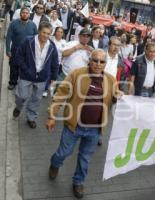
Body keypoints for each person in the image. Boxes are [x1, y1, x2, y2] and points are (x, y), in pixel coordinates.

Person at [47, 49, 122, 199]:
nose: (98, 64)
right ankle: (55, 164)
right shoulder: (77, 74)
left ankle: (78, 182)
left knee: (85, 158)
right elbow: (61, 94)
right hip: (74, 126)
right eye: (95, 60)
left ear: (106, 64)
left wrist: (118, 97)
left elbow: (114, 98)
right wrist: (52, 116)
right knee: (63, 152)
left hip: (94, 130)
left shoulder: (110, 80)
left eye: (102, 62)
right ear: (90, 61)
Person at [13, 22, 59, 128]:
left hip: (42, 77)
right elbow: (18, 56)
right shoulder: (28, 41)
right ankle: (18, 107)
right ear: (39, 31)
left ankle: (31, 118)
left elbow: (55, 62)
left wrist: (53, 77)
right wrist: (26, 69)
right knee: (21, 96)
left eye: (48, 34)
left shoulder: (51, 46)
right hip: (26, 75)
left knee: (36, 99)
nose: (45, 36)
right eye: (44, 32)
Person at [6, 7, 38, 90]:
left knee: (25, 68)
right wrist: (8, 50)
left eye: (27, 13)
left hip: (28, 51)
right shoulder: (13, 23)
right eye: (23, 12)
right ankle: (12, 82)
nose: (25, 14)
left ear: (29, 14)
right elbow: (8, 37)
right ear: (20, 14)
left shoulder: (33, 25)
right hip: (15, 49)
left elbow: (36, 39)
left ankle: (22, 84)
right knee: (13, 67)